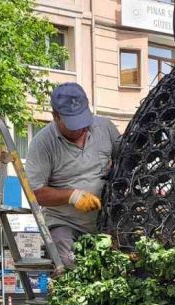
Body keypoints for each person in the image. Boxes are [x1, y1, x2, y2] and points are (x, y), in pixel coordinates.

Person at [25, 82, 121, 270]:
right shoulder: (42, 144)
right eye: (73, 125)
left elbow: (125, 158)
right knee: (71, 267)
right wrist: (72, 196)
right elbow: (35, 193)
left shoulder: (105, 127)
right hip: (65, 223)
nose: (81, 129)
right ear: (55, 116)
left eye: (84, 121)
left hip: (106, 221)